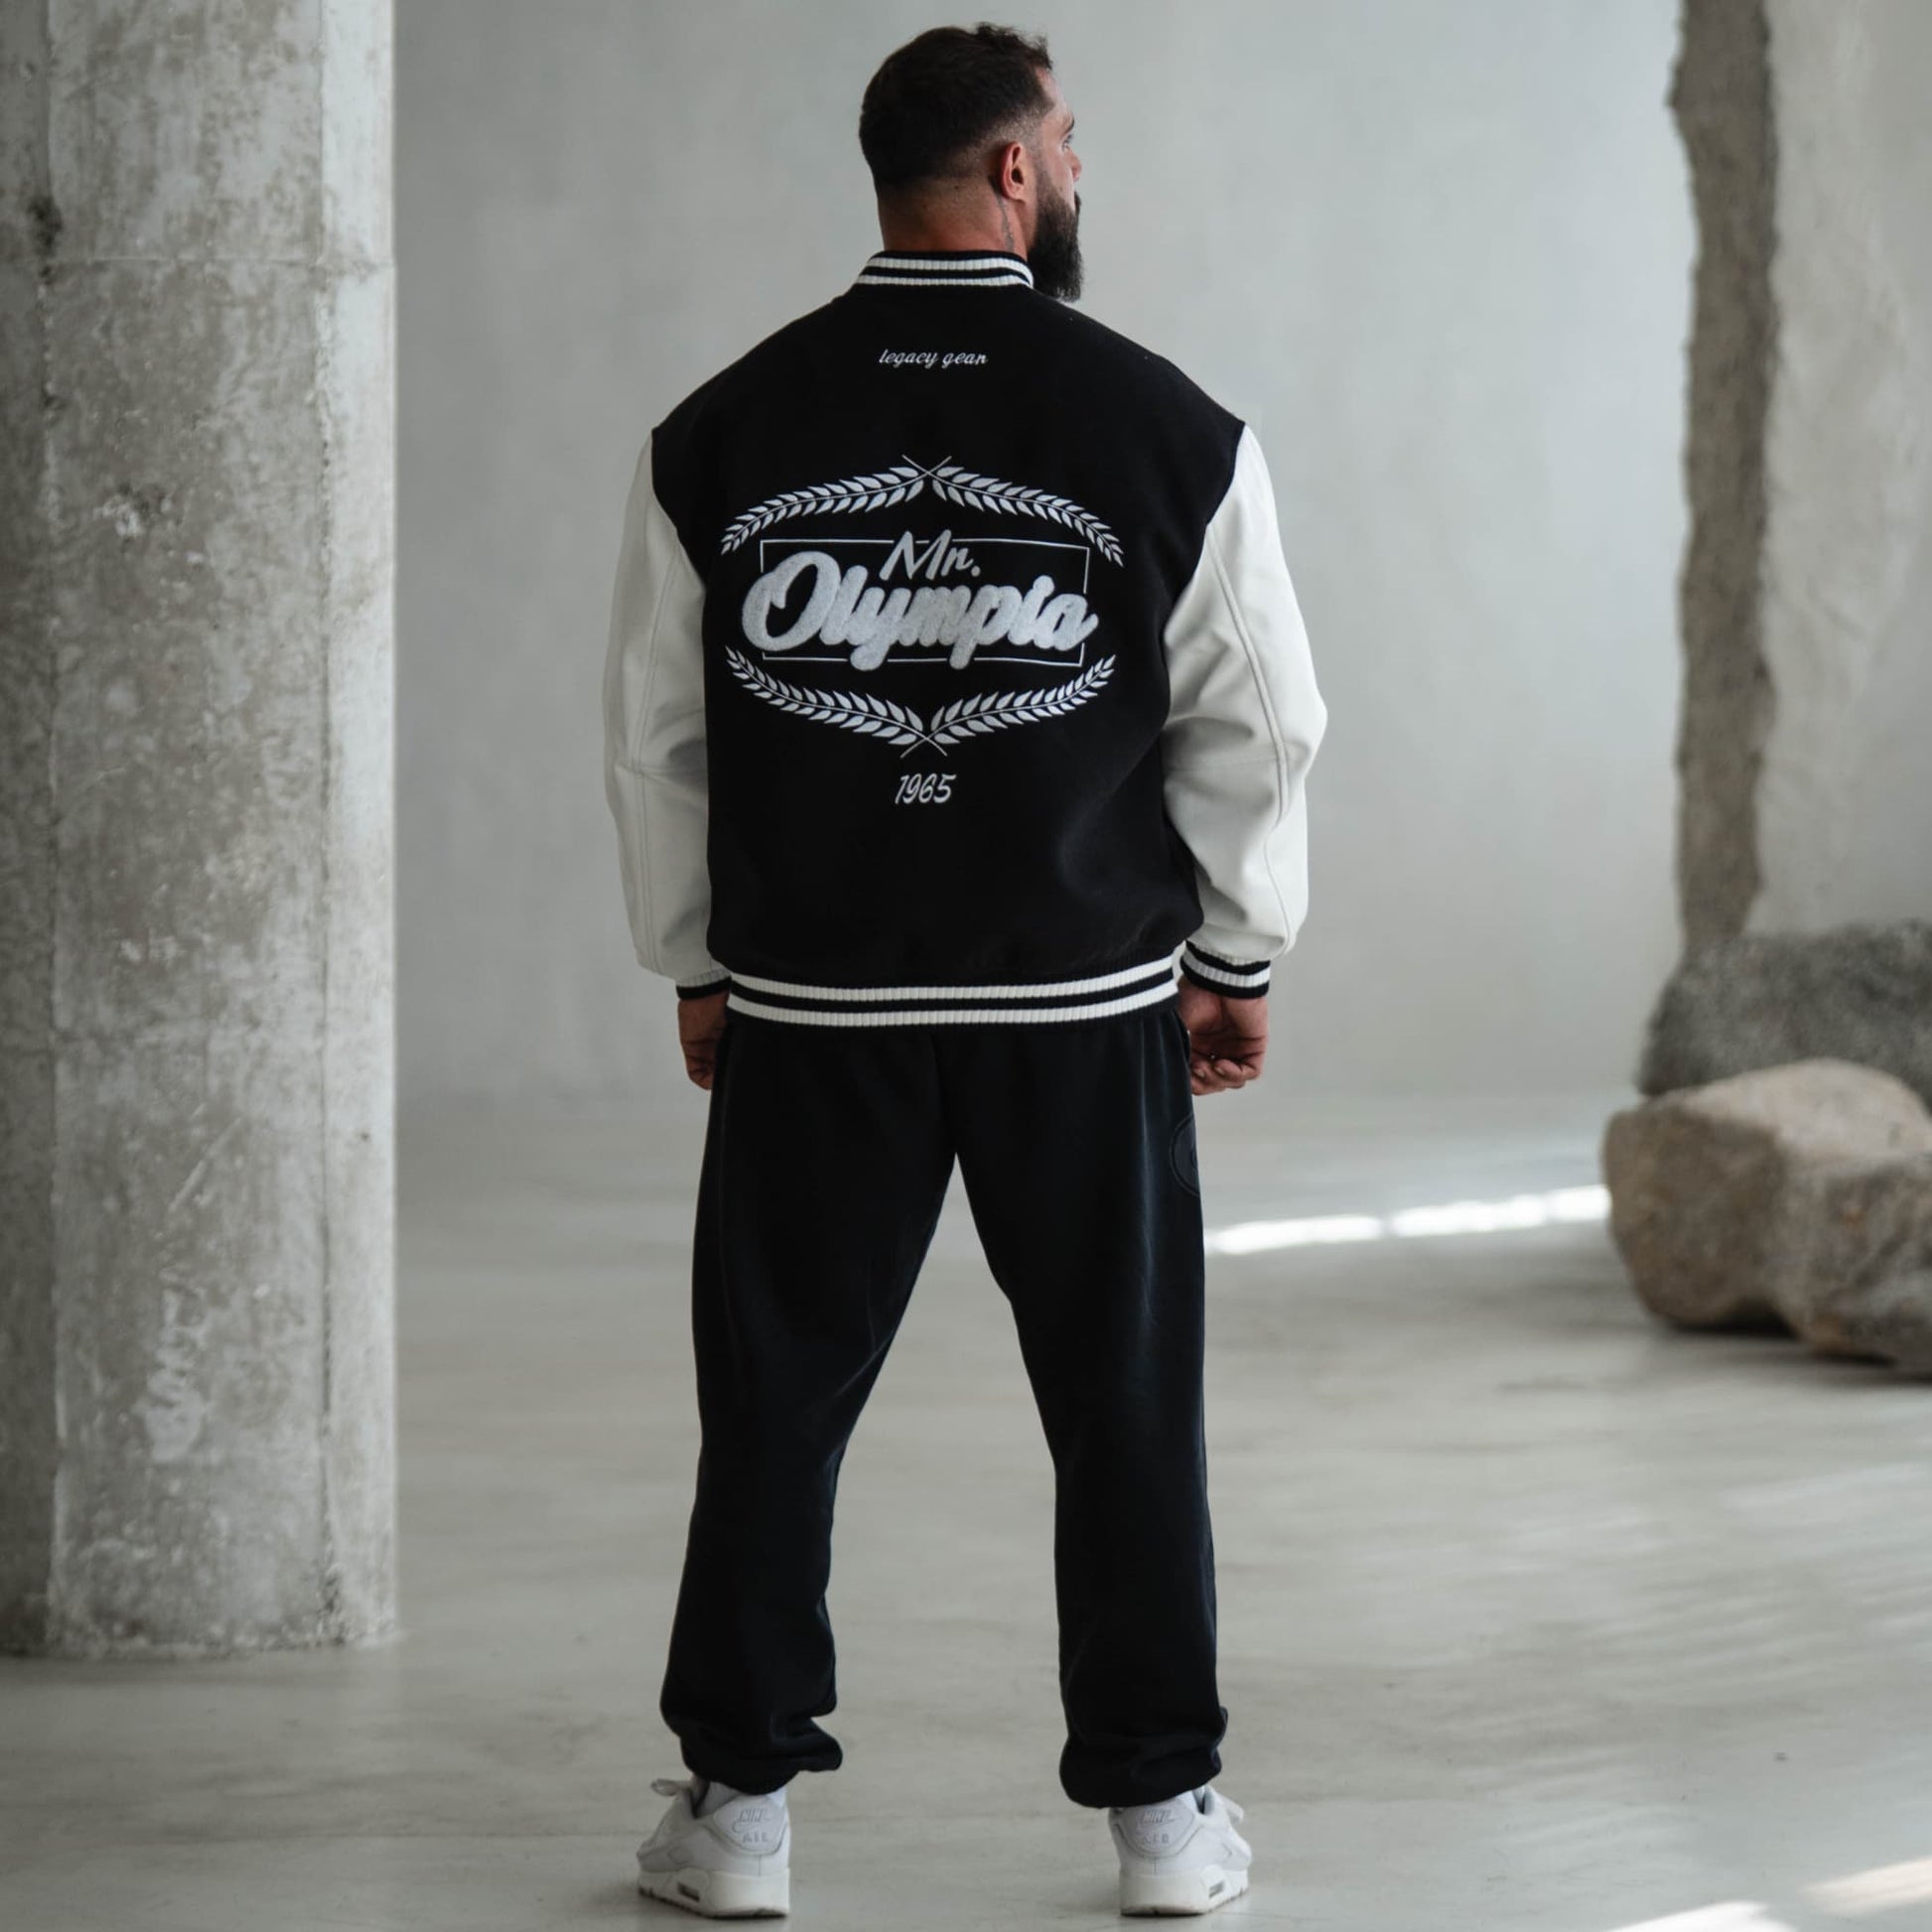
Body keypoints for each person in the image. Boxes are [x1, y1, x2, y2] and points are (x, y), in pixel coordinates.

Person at [604, 22, 1327, 1919]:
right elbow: (1259, 722)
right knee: (1124, 1404)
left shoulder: (719, 430)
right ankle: (1163, 1822)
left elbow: (658, 740)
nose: (1078, 172)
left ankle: (737, 1816)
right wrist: (1236, 948)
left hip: (814, 1011)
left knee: (773, 1403)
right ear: (1015, 171)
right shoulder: (1171, 428)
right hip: (1079, 1012)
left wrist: (695, 961)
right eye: (1066, 142)